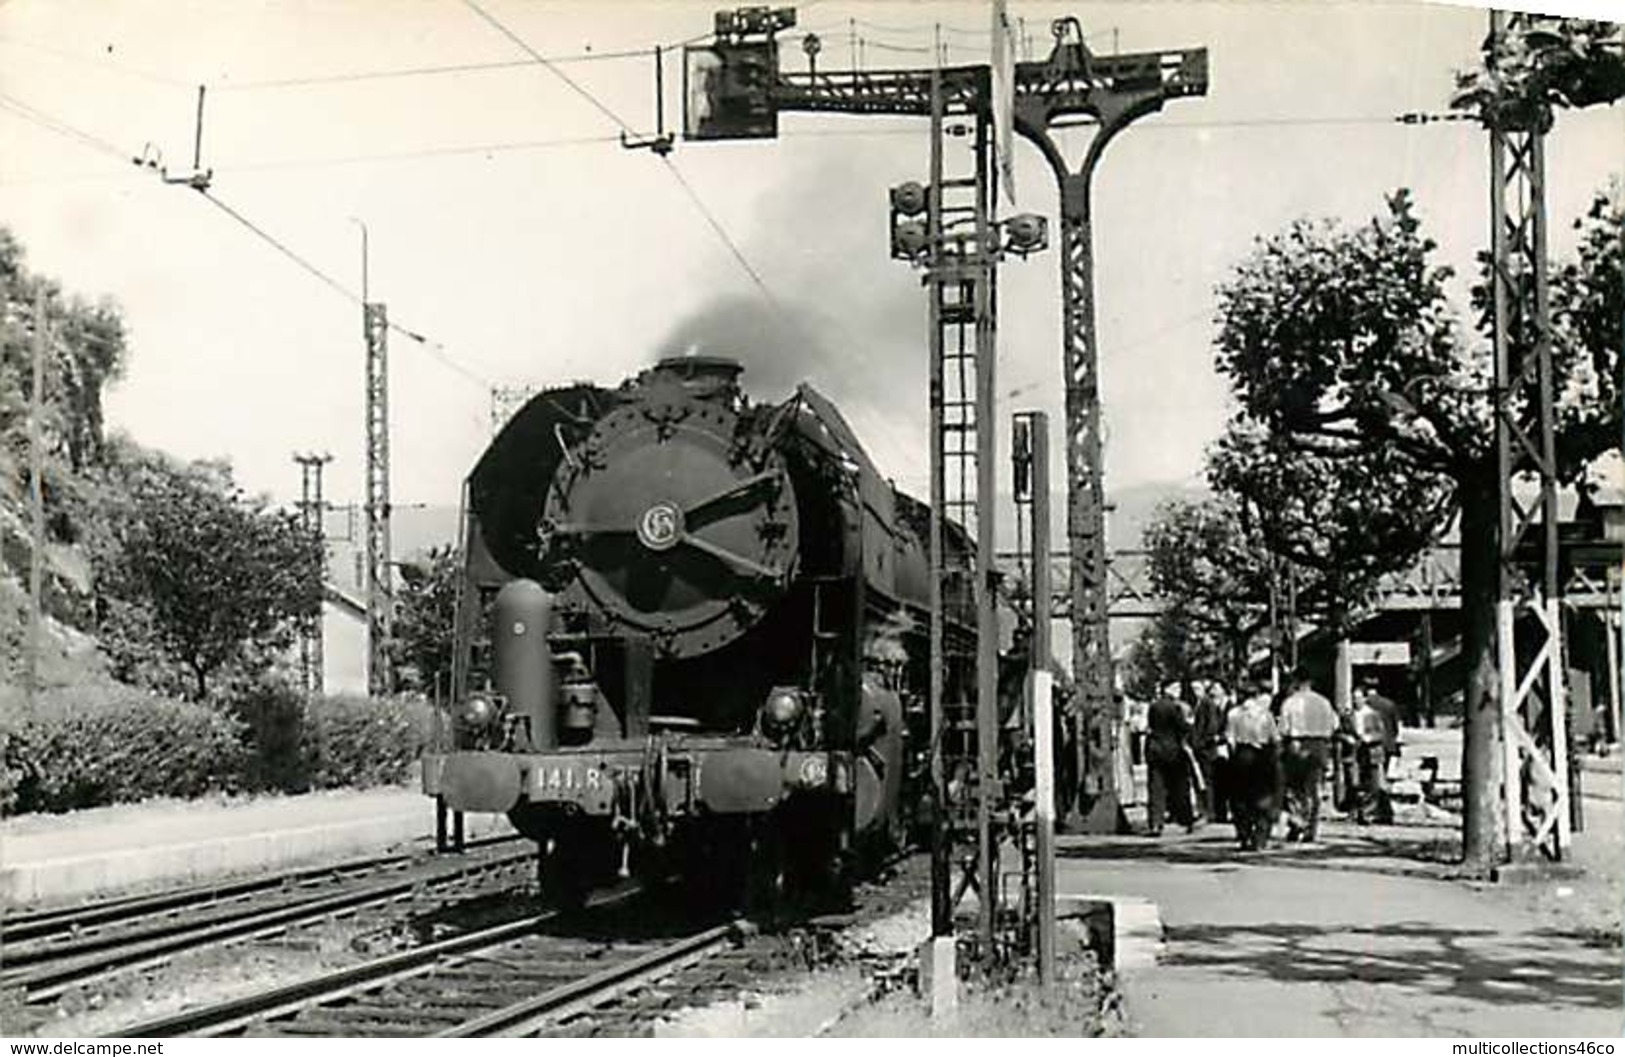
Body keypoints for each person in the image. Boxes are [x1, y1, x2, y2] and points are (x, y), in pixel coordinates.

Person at [1277, 668, 1340, 842]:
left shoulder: (1290, 703)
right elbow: (1334, 724)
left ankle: (1298, 820)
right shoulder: (1324, 702)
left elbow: (1283, 728)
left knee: (1295, 788)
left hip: (1297, 744)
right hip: (1319, 744)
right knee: (1314, 788)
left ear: (1296, 682)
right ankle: (1312, 827)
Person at [1225, 679, 1280, 851]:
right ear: (1256, 696)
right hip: (1262, 755)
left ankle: (1244, 833)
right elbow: (1275, 738)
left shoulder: (1233, 714)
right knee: (1262, 796)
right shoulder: (1265, 714)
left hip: (1241, 756)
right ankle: (1261, 836)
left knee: (1240, 797)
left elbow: (1230, 739)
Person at [1145, 683, 1196, 836]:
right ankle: (1185, 819)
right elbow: (1181, 727)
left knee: (1156, 788)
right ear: (1168, 689)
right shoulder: (1175, 708)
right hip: (1173, 751)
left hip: (1155, 749)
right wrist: (1190, 726)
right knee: (1180, 786)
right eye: (1176, 688)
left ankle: (1155, 822)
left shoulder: (1154, 706)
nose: (1179, 691)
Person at [1351, 688, 1393, 824]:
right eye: (1353, 698)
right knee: (1358, 783)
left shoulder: (1372, 714)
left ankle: (1370, 812)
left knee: (1374, 784)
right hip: (1357, 753)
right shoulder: (1351, 715)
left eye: (1358, 698)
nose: (1355, 701)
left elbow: (1382, 734)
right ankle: (1359, 811)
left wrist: (1369, 738)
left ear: (1364, 699)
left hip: (1372, 752)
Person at [1192, 683, 1231, 823]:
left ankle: (1212, 812)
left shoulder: (1207, 704)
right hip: (1212, 747)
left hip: (1211, 747)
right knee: (1213, 780)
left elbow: (1211, 726)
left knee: (1210, 781)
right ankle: (1217, 812)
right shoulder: (1206, 703)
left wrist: (1203, 742)